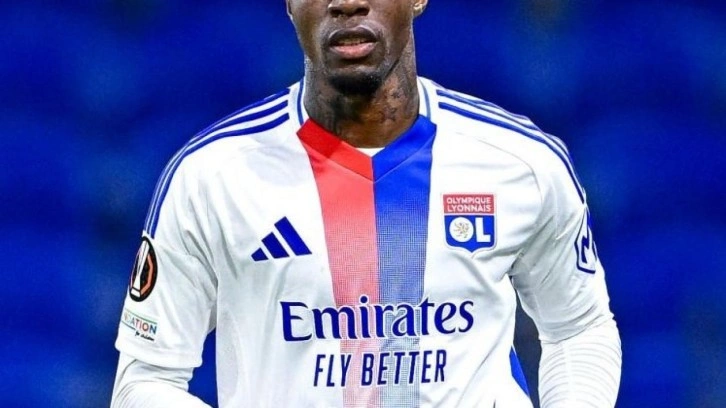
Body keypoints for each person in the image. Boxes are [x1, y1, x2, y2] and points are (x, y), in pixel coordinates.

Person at [111, 0, 622, 406]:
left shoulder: (520, 162)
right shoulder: (213, 177)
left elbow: (579, 328)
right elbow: (146, 379)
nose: (347, 3)